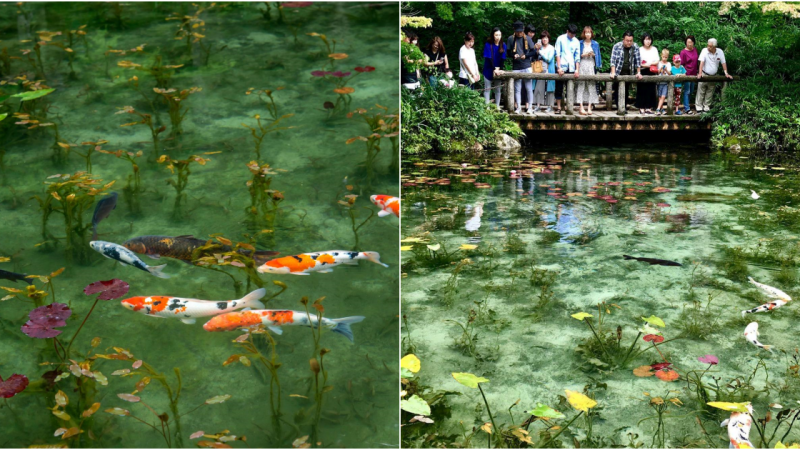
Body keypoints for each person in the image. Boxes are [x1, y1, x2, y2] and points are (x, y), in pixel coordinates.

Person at [506, 21, 539, 114]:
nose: (519, 33)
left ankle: (530, 107)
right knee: (517, 88)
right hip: (516, 66)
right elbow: (508, 52)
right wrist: (513, 55)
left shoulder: (528, 39)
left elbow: (533, 51)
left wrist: (526, 55)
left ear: (523, 30)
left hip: (527, 65)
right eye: (517, 32)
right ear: (514, 30)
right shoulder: (511, 39)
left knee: (529, 88)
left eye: (520, 31)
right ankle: (519, 107)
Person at [696, 38, 733, 112]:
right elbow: (701, 62)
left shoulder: (720, 52)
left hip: (713, 76)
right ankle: (699, 107)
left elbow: (723, 63)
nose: (708, 47)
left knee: (710, 91)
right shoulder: (704, 50)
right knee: (701, 90)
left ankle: (706, 106)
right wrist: (700, 73)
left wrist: (726, 73)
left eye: (710, 46)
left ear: (714, 47)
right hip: (704, 74)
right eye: (708, 45)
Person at [610, 31, 643, 112]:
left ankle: (623, 106)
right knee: (618, 89)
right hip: (618, 71)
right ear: (623, 40)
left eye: (631, 41)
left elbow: (638, 60)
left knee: (626, 90)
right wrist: (613, 72)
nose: (629, 42)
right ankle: (620, 107)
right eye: (627, 40)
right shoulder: (617, 46)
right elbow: (613, 60)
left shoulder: (635, 46)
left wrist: (638, 72)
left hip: (629, 71)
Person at [554, 23, 579, 114]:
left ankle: (569, 107)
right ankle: (559, 107)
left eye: (574, 34)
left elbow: (577, 56)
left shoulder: (576, 41)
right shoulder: (560, 39)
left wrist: (577, 69)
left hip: (571, 66)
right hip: (562, 65)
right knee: (559, 88)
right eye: (571, 34)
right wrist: (559, 67)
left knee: (570, 88)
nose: (572, 35)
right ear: (567, 31)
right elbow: (557, 54)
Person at [575, 25, 600, 115]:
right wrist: (584, 54)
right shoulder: (580, 43)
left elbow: (597, 55)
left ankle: (589, 107)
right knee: (581, 85)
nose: (588, 34)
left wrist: (592, 54)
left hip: (591, 65)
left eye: (589, 32)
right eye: (586, 32)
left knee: (591, 86)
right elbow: (577, 55)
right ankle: (581, 107)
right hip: (582, 65)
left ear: (591, 33)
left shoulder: (595, 44)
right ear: (584, 33)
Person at [635, 32, 659, 115]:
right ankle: (641, 107)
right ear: (643, 40)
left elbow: (656, 61)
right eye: (646, 39)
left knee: (651, 89)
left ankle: (649, 107)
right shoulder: (640, 49)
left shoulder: (654, 49)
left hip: (652, 71)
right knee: (642, 89)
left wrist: (648, 64)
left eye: (649, 39)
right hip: (642, 71)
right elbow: (638, 62)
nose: (648, 41)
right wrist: (645, 65)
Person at [482, 27, 506, 107]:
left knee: (498, 89)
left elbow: (503, 58)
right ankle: (487, 107)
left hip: (498, 69)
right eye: (496, 35)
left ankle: (497, 106)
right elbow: (488, 58)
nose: (498, 37)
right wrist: (494, 69)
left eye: (499, 35)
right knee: (487, 89)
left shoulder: (503, 45)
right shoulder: (488, 44)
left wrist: (500, 70)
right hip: (489, 69)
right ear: (493, 35)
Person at [532, 30, 555, 113]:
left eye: (546, 38)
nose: (544, 39)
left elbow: (549, 59)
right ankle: (538, 105)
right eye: (542, 38)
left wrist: (540, 52)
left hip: (549, 70)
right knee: (538, 87)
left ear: (548, 38)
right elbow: (533, 58)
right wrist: (535, 49)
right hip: (539, 70)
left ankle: (550, 106)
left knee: (550, 89)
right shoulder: (539, 47)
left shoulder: (551, 48)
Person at [680, 35, 699, 114]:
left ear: (693, 42)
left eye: (691, 42)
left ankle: (686, 105)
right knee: (687, 91)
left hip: (694, 74)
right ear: (686, 43)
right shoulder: (683, 52)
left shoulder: (695, 50)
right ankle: (687, 108)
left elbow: (697, 61)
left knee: (691, 91)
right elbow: (681, 64)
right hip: (687, 74)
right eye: (688, 42)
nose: (690, 44)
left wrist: (698, 71)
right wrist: (683, 73)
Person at [520, 23, 536, 109]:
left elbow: (534, 55)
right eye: (530, 32)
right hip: (521, 64)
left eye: (533, 32)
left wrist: (536, 49)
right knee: (519, 85)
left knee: (528, 86)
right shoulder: (521, 39)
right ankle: (517, 104)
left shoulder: (532, 41)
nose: (532, 34)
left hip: (529, 65)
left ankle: (527, 104)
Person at [655, 49, 671, 115]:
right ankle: (661, 109)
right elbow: (657, 72)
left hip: (665, 83)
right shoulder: (658, 63)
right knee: (659, 96)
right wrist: (660, 69)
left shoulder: (669, 64)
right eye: (663, 57)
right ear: (661, 56)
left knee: (663, 96)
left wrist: (666, 70)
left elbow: (670, 73)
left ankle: (658, 109)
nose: (664, 58)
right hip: (659, 82)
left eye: (666, 57)